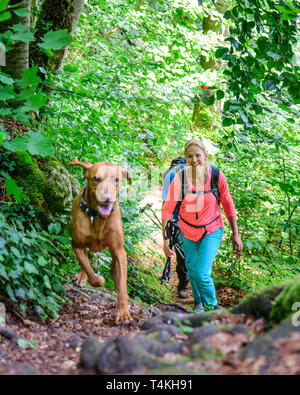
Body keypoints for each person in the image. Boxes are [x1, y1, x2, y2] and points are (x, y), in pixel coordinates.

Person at [162, 139, 243, 312]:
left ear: (205, 156)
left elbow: (228, 205)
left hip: (211, 230)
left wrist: (235, 234)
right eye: (189, 156)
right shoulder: (180, 178)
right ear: (185, 158)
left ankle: (211, 308)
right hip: (186, 230)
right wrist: (165, 239)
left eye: (198, 155)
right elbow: (167, 210)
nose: (194, 159)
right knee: (191, 268)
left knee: (202, 272)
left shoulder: (216, 175)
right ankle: (198, 302)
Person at [162, 157, 189, 299]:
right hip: (177, 220)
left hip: (195, 219)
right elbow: (166, 204)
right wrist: (166, 233)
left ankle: (187, 283)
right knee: (182, 254)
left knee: (183, 255)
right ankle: (184, 283)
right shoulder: (171, 176)